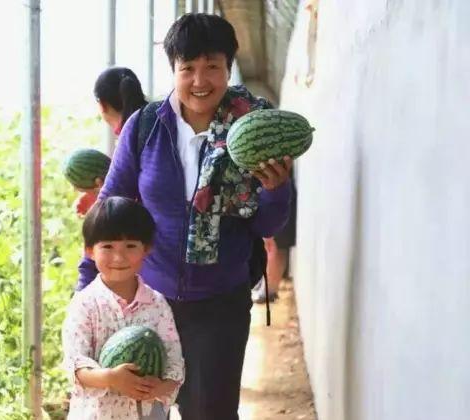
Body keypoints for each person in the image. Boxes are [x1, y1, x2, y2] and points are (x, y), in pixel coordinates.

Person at [77, 13, 293, 420]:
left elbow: (266, 226)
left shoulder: (252, 132)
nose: (200, 80)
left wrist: (276, 189)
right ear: (173, 69)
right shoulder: (145, 127)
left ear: (228, 68)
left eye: (212, 67)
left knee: (209, 412)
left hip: (220, 306)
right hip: (146, 301)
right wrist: (86, 290)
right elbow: (109, 211)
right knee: (139, 410)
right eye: (187, 68)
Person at [62, 197, 184, 419]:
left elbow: (174, 363)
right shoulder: (84, 304)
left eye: (130, 246)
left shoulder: (157, 304)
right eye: (107, 246)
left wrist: (160, 387)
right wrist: (110, 377)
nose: (119, 257)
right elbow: (75, 365)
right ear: (89, 250)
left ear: (146, 249)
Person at [73, 67, 149, 216]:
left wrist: (103, 200)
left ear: (102, 105)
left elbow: (138, 197)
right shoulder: (156, 122)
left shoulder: (132, 137)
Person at [254, 171, 297, 304]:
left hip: (276, 187)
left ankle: (269, 290)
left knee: (276, 245)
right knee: (269, 244)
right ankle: (267, 284)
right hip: (268, 186)